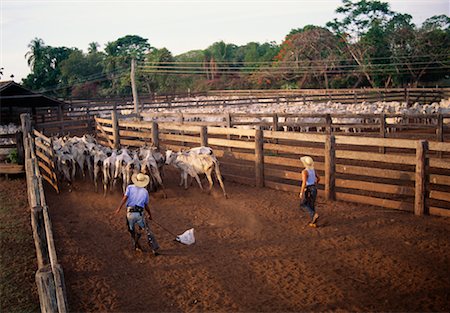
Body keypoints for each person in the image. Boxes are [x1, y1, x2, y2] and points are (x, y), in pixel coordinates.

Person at [116, 172, 160, 255]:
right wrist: (150, 215)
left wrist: (119, 208)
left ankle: (136, 245)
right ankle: (154, 248)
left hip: (130, 213)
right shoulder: (145, 192)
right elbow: (146, 205)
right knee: (148, 231)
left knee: (131, 229)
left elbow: (124, 198)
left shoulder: (129, 187)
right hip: (140, 214)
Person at [299, 156, 320, 227]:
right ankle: (313, 221)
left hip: (308, 189)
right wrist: (315, 184)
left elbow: (304, 182)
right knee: (312, 204)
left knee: (304, 204)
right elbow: (318, 178)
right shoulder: (313, 170)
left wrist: (301, 192)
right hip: (314, 188)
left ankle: (314, 214)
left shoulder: (305, 171)